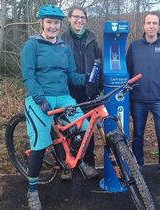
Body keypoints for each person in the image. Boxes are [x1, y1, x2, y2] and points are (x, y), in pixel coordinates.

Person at [21, 4, 89, 210]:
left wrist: (90, 78)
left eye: (56, 23)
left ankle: (71, 160)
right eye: (49, 22)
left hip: (64, 97)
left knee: (84, 128)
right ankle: (32, 190)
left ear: (60, 25)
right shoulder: (32, 45)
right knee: (40, 145)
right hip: (39, 98)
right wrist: (40, 99)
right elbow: (28, 76)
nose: (52, 26)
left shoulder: (63, 47)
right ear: (41, 23)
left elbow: (72, 77)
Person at [126, 12, 160, 188]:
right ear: (143, 25)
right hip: (138, 99)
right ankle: (138, 165)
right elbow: (128, 72)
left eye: (155, 23)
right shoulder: (134, 47)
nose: (151, 26)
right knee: (137, 135)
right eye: (148, 23)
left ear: (159, 26)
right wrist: (127, 96)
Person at [61, 6, 102, 179]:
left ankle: (88, 164)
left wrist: (98, 86)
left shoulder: (92, 39)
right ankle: (66, 166)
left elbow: (100, 63)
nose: (79, 20)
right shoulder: (62, 39)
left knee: (89, 130)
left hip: (89, 91)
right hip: (69, 92)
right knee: (68, 130)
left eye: (82, 17)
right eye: (76, 17)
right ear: (69, 19)